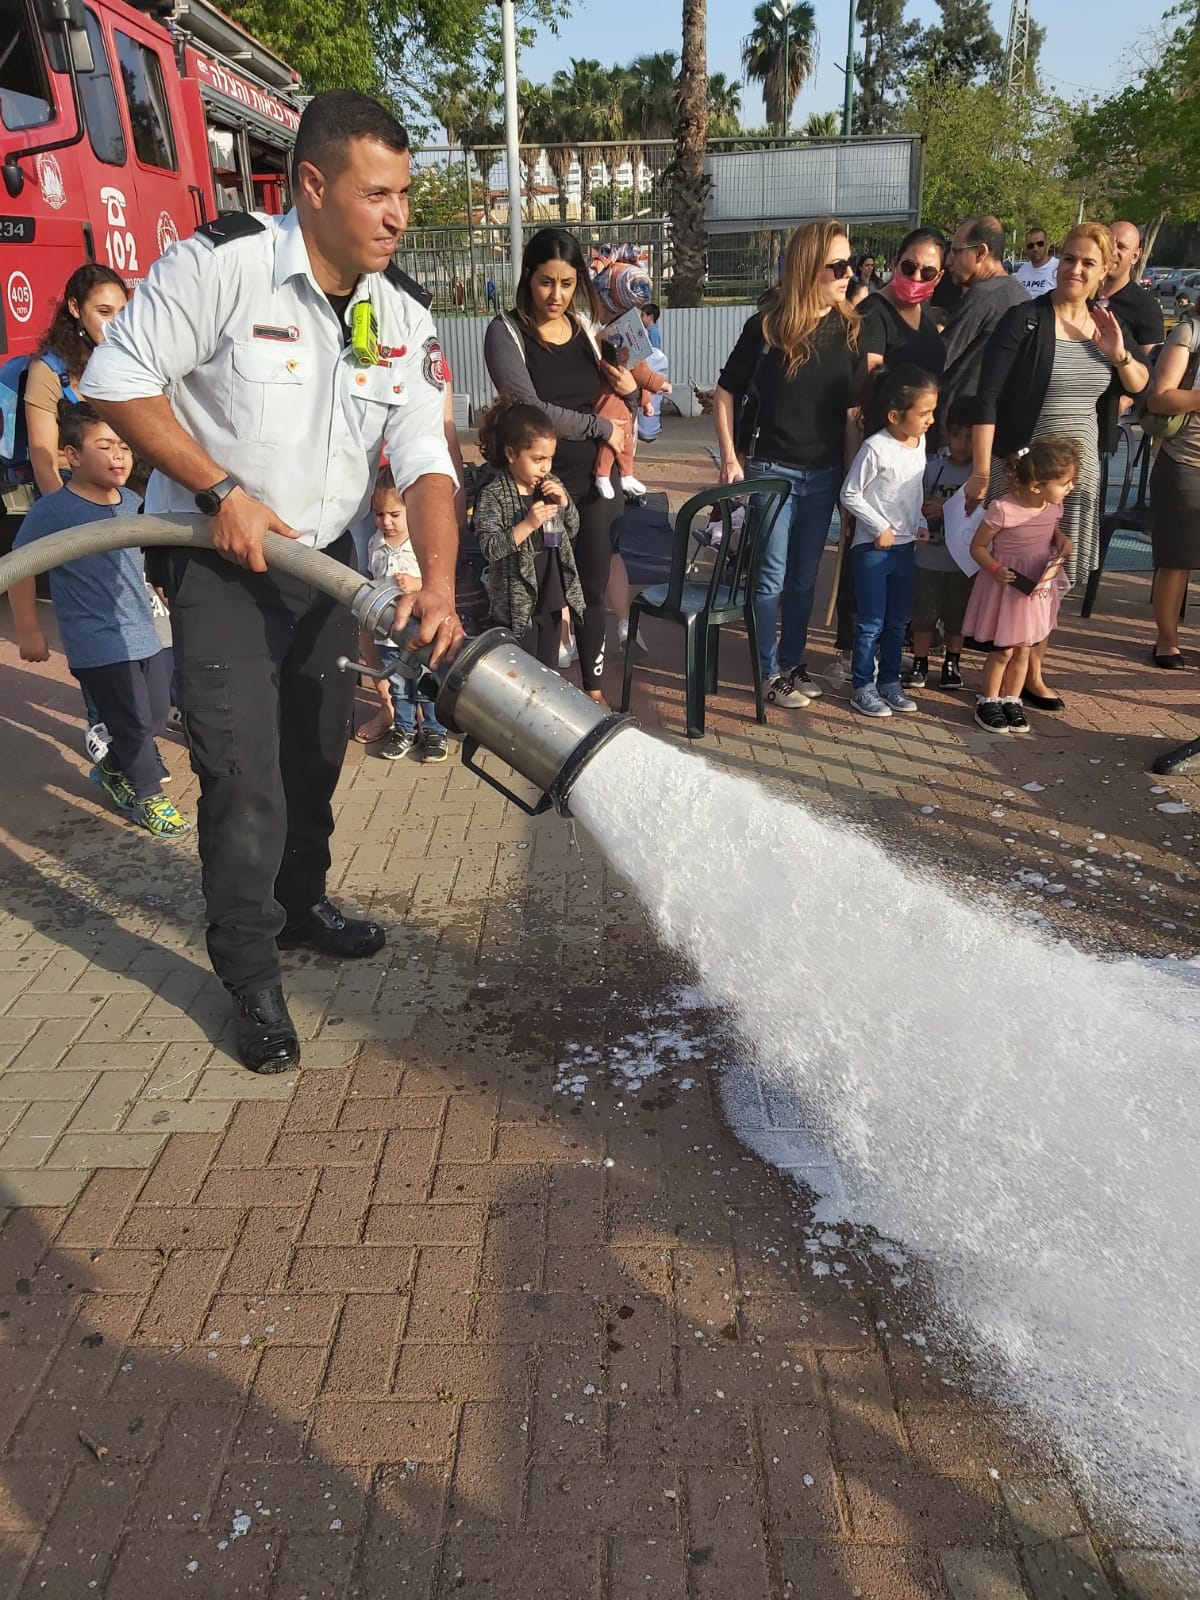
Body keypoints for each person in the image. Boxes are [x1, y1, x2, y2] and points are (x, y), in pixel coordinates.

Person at [82, 89, 463, 1075]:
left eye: (405, 193)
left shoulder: (399, 311)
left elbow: (426, 461)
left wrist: (441, 585)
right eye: (377, 193)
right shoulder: (228, 266)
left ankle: (302, 905)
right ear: (312, 185)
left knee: (317, 751)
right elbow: (118, 378)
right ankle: (250, 971)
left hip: (325, 563)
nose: (397, 214)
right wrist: (217, 489)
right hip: (221, 562)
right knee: (243, 773)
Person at [969, 223, 1150, 708]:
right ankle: (995, 667)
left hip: (1078, 472)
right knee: (1010, 573)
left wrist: (1118, 355)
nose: (1074, 269)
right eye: (1068, 258)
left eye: (1087, 262)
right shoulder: (1025, 319)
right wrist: (983, 470)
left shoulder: (1108, 324)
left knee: (1054, 577)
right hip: (1026, 470)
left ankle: (1031, 673)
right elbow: (987, 398)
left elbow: (1140, 385)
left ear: (1105, 268)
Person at [8, 402, 191, 836]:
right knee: (130, 719)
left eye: (125, 446)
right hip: (98, 638)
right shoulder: (54, 512)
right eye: (104, 446)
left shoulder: (134, 501)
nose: (118, 456)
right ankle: (149, 796)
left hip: (147, 629)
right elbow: (19, 566)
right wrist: (30, 630)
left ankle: (112, 764)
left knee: (156, 713)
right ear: (71, 456)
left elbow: (151, 554)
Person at [483, 227, 638, 705]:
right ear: (528, 277)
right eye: (547, 282)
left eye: (568, 283)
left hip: (594, 485)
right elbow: (531, 408)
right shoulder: (504, 332)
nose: (557, 295)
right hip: (534, 483)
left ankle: (592, 692)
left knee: (590, 589)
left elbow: (614, 397)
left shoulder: (587, 332)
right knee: (534, 594)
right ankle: (532, 695)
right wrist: (599, 428)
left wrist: (630, 390)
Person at [713, 219, 863, 709]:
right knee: (770, 576)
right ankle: (767, 671)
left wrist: (849, 483)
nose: (849, 275)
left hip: (823, 475)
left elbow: (849, 416)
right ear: (806, 268)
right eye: (836, 266)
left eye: (852, 265)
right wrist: (731, 460)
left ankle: (794, 663)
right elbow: (725, 392)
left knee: (803, 577)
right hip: (771, 472)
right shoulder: (767, 327)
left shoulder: (847, 328)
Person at [839, 365, 939, 719]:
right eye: (923, 413)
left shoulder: (919, 441)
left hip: (905, 547)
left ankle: (890, 681)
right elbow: (850, 493)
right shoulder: (875, 448)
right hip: (873, 550)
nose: (930, 420)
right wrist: (878, 526)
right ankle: (863, 685)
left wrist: (921, 522)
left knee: (898, 621)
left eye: (932, 412)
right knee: (871, 622)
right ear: (895, 415)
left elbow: (912, 491)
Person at [963, 437, 1080, 734]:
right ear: (1037, 485)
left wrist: (1061, 540)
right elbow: (977, 547)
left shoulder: (1054, 506)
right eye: (1065, 482)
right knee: (1002, 650)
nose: (1071, 488)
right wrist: (994, 568)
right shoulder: (1003, 509)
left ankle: (1012, 699)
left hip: (1037, 585)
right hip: (1007, 585)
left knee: (1025, 649)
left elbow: (1052, 530)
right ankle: (988, 700)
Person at [473, 397, 585, 668]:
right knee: (520, 671)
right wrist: (526, 525)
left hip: (552, 594)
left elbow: (573, 528)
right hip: (516, 607)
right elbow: (489, 547)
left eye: (549, 459)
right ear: (511, 454)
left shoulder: (551, 485)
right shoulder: (494, 495)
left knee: (547, 670)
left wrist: (566, 505)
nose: (545, 467)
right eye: (537, 459)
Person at [24, 265, 128, 499]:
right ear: (75, 308)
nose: (116, 325)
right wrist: (70, 518)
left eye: (121, 314)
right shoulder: (47, 371)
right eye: (104, 312)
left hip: (122, 481)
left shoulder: (129, 364)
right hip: (72, 486)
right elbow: (45, 466)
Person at [367, 469, 449, 762]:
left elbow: (438, 583)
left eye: (393, 514)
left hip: (419, 632)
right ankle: (404, 729)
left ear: (409, 510)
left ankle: (435, 730)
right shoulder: (374, 543)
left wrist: (416, 584)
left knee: (427, 682)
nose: (386, 522)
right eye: (379, 514)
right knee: (399, 685)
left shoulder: (421, 543)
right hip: (387, 634)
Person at [903, 395, 979, 692]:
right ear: (947, 433)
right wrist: (924, 509)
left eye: (971, 437)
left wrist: (945, 508)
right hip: (928, 556)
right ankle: (920, 661)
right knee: (923, 613)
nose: (963, 443)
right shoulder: (932, 468)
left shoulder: (979, 475)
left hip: (962, 561)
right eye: (957, 435)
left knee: (957, 616)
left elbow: (982, 511)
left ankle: (952, 662)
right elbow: (913, 503)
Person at [1145, 310, 1200, 666]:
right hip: (1186, 463)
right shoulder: (1190, 333)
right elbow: (1159, 398)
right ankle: (1167, 640)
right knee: (1177, 559)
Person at [939, 216, 1028, 419]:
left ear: (980, 252)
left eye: (955, 251)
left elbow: (939, 358)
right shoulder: (1020, 294)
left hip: (961, 426)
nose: (948, 261)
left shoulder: (983, 295)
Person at [859, 227, 948, 379]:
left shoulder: (923, 306)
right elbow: (869, 384)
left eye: (928, 272)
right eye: (909, 267)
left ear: (939, 277)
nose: (916, 276)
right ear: (895, 263)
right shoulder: (872, 312)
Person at [592, 344, 670, 498]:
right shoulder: (628, 354)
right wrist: (662, 384)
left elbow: (638, 384)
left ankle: (626, 475)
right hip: (612, 410)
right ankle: (602, 475)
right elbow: (643, 375)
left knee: (626, 444)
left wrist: (646, 402)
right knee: (610, 444)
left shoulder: (619, 351)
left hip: (624, 412)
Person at [1103, 222, 1165, 349]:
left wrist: (1121, 359)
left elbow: (1150, 366)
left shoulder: (1146, 308)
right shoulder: (1081, 296)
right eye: (1108, 244)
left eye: (1121, 247)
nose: (1112, 251)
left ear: (1135, 256)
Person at [1015, 227, 1060, 296]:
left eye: (1040, 244)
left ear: (1047, 245)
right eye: (1030, 246)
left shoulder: (1059, 268)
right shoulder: (1022, 271)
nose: (1035, 249)